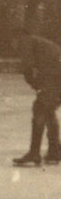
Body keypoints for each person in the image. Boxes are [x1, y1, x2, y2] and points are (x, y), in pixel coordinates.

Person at [12, 34, 61, 166]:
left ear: (15, 38)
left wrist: (35, 83)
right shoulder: (38, 43)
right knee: (48, 110)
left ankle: (34, 153)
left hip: (56, 77)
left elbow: (27, 67)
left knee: (40, 108)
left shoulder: (25, 41)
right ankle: (55, 151)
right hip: (56, 76)